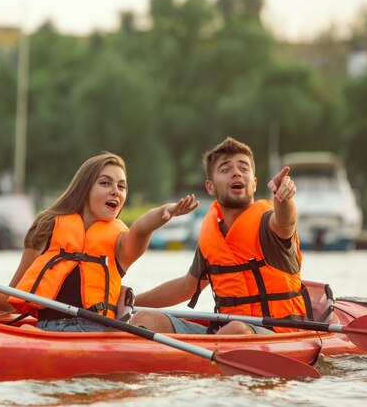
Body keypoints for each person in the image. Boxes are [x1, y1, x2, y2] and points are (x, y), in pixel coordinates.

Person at [0, 152, 198, 332]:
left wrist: (167, 211)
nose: (115, 192)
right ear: (85, 188)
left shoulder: (121, 243)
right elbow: (10, 300)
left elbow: (141, 227)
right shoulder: (46, 230)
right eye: (105, 183)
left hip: (90, 334)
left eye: (122, 186)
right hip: (43, 331)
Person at [129, 137, 308, 335]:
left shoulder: (269, 223)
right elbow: (185, 287)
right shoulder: (212, 237)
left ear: (254, 183)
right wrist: (131, 301)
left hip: (277, 335)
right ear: (210, 187)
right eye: (225, 169)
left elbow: (286, 222)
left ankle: (198, 362)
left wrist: (284, 199)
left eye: (243, 168)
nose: (236, 173)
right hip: (226, 335)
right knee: (143, 319)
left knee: (237, 329)